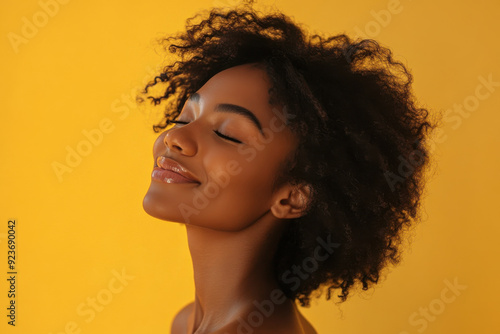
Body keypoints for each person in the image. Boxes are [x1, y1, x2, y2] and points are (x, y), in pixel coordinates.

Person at [139, 3, 435, 333]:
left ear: (292, 198)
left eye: (227, 134)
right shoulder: (189, 322)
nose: (176, 137)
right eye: (184, 117)